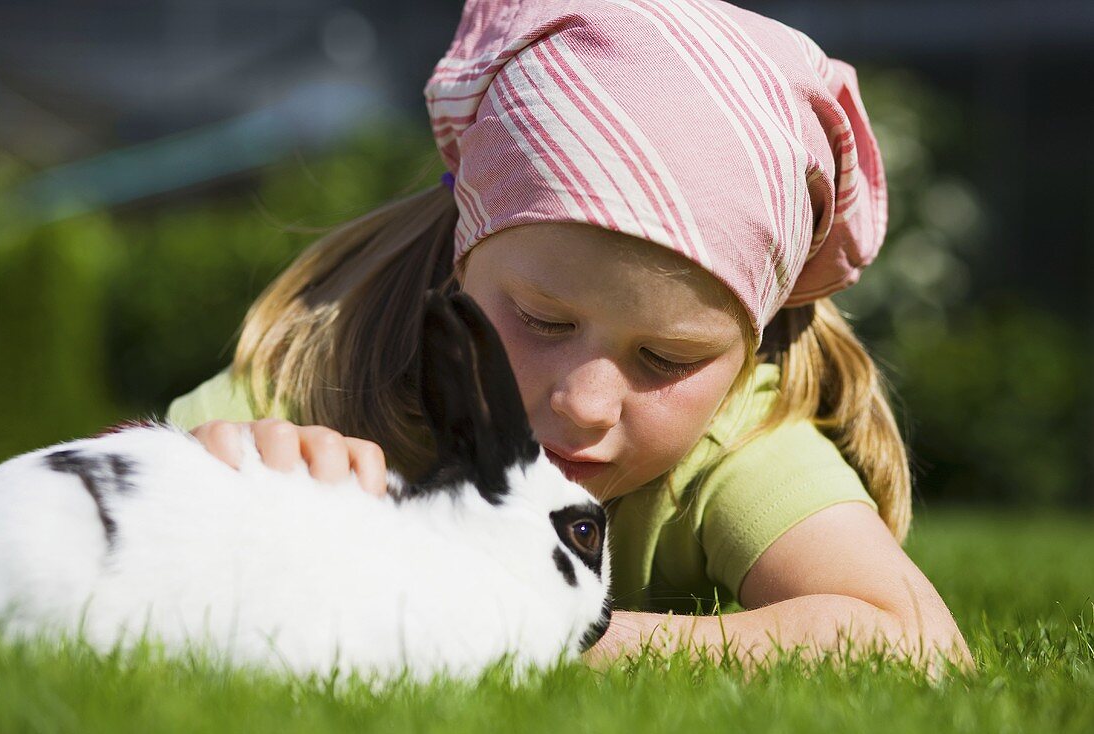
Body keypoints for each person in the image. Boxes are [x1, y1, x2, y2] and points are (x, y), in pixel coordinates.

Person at [166, 0, 971, 670]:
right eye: (543, 321)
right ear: (461, 261)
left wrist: (541, 637)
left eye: (667, 358)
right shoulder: (348, 368)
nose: (585, 403)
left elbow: (916, 642)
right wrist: (220, 469)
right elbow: (86, 486)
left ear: (746, 350)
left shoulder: (734, 443)